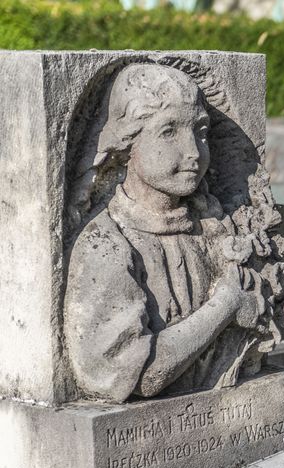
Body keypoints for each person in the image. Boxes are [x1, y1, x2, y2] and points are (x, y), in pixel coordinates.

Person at [64, 63, 262, 403]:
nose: (193, 151)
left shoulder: (213, 228)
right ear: (128, 143)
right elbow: (136, 376)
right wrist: (225, 305)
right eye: (169, 131)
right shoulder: (107, 245)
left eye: (200, 131)